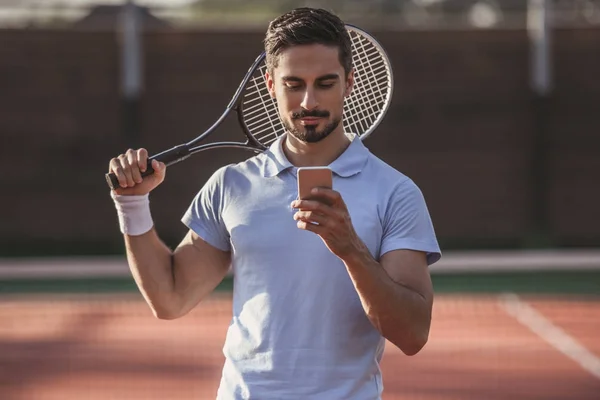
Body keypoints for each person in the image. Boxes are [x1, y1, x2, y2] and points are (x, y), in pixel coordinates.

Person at [108, 7, 441, 400]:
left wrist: (350, 250)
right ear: (270, 84)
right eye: (294, 84)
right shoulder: (231, 185)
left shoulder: (396, 192)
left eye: (325, 83)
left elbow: (412, 333)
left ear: (350, 83)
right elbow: (169, 298)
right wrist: (132, 205)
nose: (308, 101)